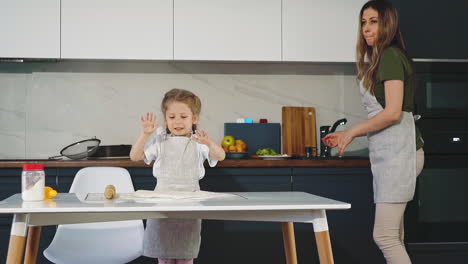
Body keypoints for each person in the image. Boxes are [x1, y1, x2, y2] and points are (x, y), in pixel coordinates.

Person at [322, 1, 424, 263]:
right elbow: (382, 117)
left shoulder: (389, 55)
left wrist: (352, 132)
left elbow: (391, 113)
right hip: (393, 155)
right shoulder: (380, 58)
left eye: (374, 21)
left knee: (385, 237)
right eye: (363, 22)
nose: (366, 29)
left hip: (401, 156)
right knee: (395, 237)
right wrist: (348, 135)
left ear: (387, 23)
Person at [130, 88, 225, 264]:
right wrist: (145, 134)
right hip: (162, 205)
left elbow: (220, 156)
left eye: (183, 116)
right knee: (164, 258)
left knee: (185, 258)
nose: (177, 122)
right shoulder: (159, 139)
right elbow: (135, 156)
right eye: (172, 117)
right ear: (165, 119)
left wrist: (210, 143)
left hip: (190, 206)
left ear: (194, 118)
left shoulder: (199, 141)